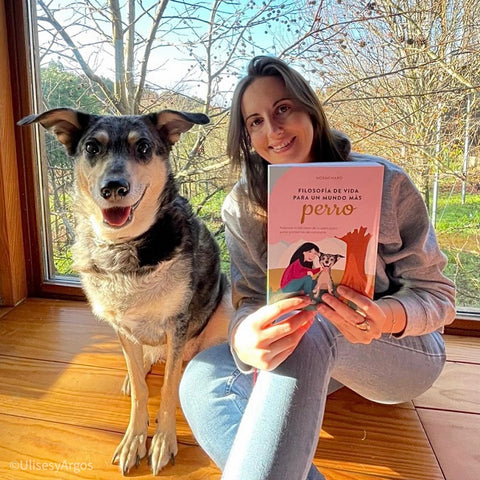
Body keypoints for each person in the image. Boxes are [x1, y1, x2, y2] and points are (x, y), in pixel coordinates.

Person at [179, 56, 455, 480]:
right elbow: (250, 299)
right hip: (309, 356)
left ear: (309, 109)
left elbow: (439, 297)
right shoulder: (243, 205)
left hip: (402, 354)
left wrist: (384, 317)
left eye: (283, 109)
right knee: (201, 376)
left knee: (311, 322)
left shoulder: (385, 182)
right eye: (255, 121)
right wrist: (243, 338)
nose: (273, 130)